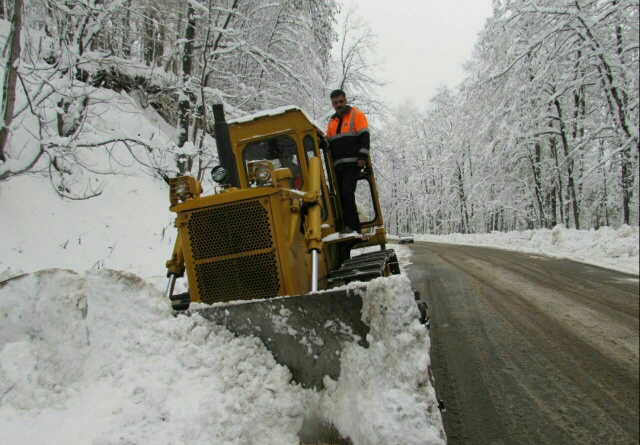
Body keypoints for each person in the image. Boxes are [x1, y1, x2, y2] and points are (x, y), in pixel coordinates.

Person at [325, 89, 370, 234]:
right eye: (335, 103)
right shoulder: (332, 122)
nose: (338, 105)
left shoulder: (356, 115)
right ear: (332, 104)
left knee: (347, 192)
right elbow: (330, 143)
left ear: (346, 101)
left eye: (341, 101)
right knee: (341, 195)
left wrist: (362, 157)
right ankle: (348, 224)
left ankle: (352, 226)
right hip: (339, 165)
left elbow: (364, 137)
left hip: (353, 163)